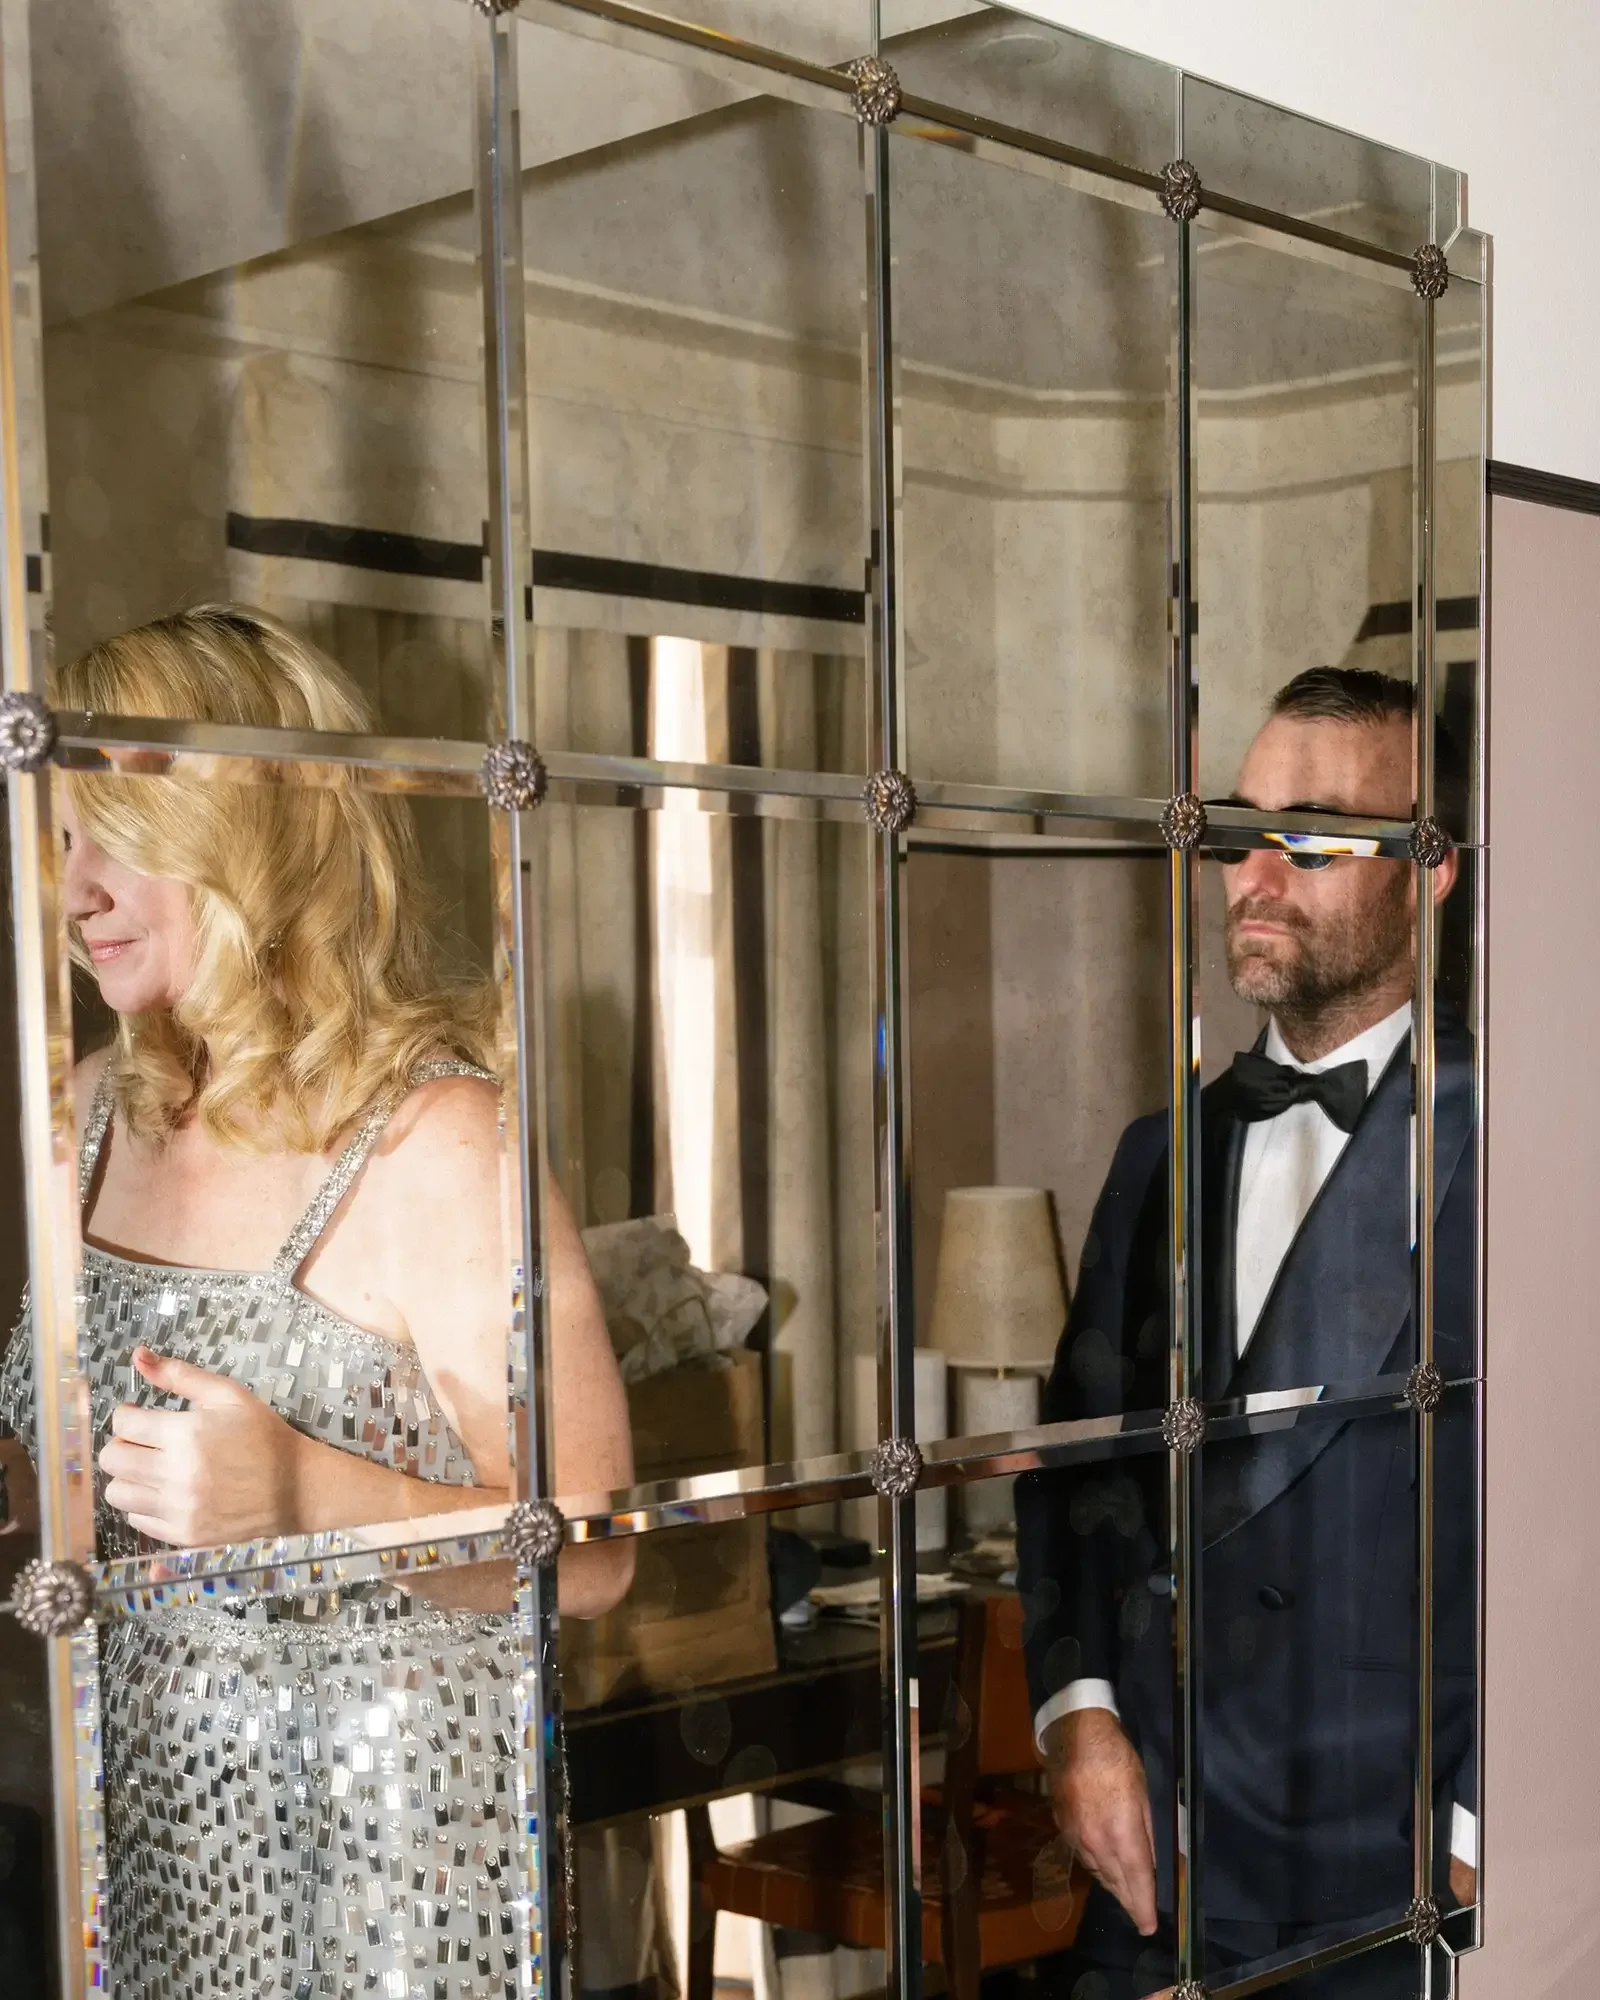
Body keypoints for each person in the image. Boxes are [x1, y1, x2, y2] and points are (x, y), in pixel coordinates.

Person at [0, 605, 636, 1997]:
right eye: (61, 839)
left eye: (120, 836)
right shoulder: (93, 1116)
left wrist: (302, 1497)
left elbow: (590, 1555)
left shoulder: (442, 1140)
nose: (78, 889)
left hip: (396, 1877)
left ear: (255, 836)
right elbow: (68, 1489)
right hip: (148, 1834)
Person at [1015, 669, 1477, 1999]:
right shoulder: (1156, 1160)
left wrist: (1479, 1845)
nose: (1256, 872)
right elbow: (1077, 1476)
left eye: (1317, 833)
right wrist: (1080, 1717)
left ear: (1428, 874)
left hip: (1398, 1898)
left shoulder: (1527, 1157)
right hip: (1160, 1870)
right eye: (1243, 824)